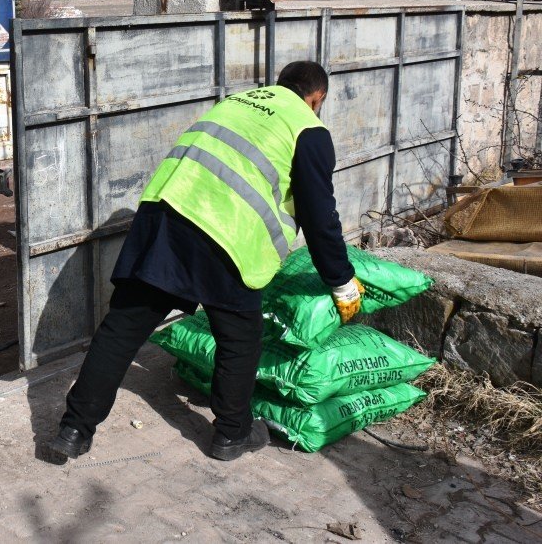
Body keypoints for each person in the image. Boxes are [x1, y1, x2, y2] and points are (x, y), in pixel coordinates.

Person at [48, 60, 364, 462]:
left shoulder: (237, 102)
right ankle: (232, 434)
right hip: (228, 236)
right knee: (238, 339)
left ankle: (74, 429)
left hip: (166, 216)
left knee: (122, 329)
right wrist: (340, 280)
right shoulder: (309, 128)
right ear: (317, 97)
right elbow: (321, 216)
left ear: (280, 84)